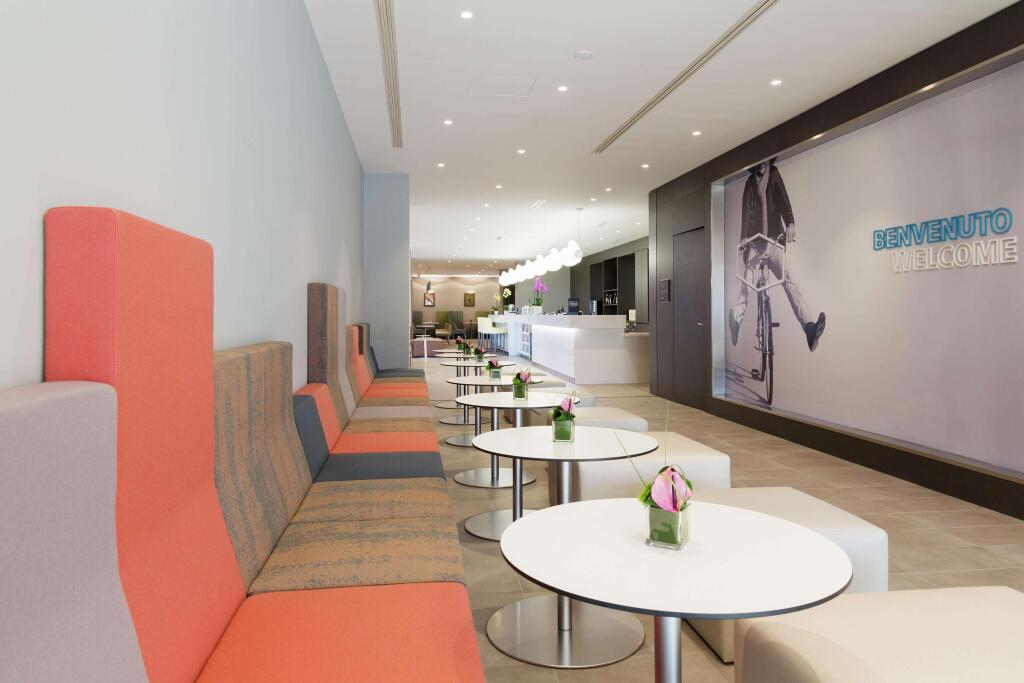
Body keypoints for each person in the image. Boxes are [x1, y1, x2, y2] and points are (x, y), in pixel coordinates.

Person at [729, 158, 826, 351]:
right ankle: (736, 323)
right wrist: (744, 238)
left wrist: (790, 223)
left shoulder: (773, 174)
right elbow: (746, 212)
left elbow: (783, 199)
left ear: (767, 162)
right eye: (758, 162)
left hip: (774, 240)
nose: (761, 164)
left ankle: (809, 328)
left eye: (763, 161)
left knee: (789, 280)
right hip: (755, 242)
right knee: (747, 281)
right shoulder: (750, 182)